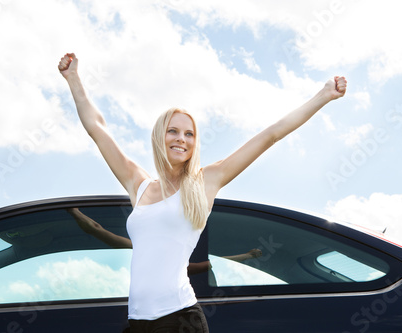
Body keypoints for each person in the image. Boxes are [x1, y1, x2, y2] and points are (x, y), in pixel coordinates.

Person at [58, 52, 347, 332]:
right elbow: (98, 129)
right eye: (173, 131)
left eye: (189, 134)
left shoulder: (205, 182)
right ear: (160, 136)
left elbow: (271, 134)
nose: (181, 139)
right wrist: (73, 79)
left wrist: (323, 96)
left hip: (180, 319)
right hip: (137, 322)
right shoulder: (139, 184)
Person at [66, 207, 262, 276]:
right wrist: (74, 211)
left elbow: (212, 264)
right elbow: (97, 231)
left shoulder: (176, 264)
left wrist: (248, 255)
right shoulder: (143, 248)